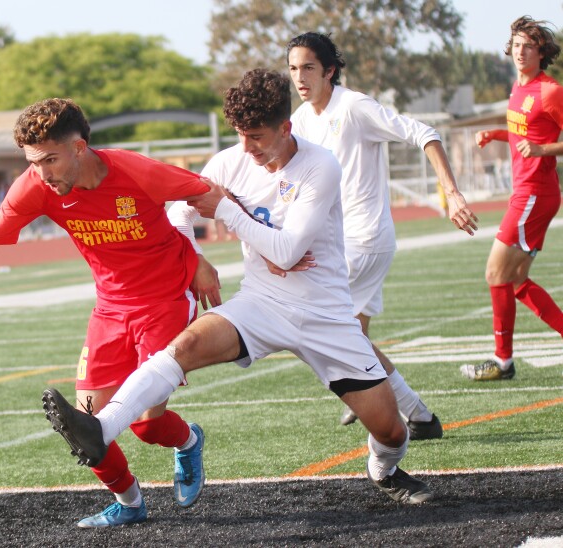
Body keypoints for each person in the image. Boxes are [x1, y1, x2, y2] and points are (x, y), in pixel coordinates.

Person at [43, 69, 434, 507]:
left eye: (256, 137)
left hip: (325, 314)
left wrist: (228, 211)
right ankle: (102, 428)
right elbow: (178, 214)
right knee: (184, 346)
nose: (246, 148)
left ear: (286, 128)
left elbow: (286, 252)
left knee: (390, 430)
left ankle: (383, 469)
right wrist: (196, 260)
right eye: (239, 136)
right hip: (261, 303)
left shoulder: (320, 165)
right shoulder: (229, 162)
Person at [0, 98, 221, 528]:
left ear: (79, 148)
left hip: (165, 299)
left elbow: (207, 192)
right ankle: (129, 503)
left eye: (49, 160)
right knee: (84, 429)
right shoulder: (35, 187)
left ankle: (187, 441)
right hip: (109, 309)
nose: (41, 173)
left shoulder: (136, 170)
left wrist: (198, 255)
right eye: (33, 162)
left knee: (147, 427)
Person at [286, 32, 479, 434]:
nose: (299, 77)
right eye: (293, 68)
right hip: (337, 242)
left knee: (319, 326)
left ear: (329, 71)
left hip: (364, 239)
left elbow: (425, 134)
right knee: (350, 331)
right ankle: (386, 402)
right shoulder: (303, 119)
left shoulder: (355, 107)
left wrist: (453, 194)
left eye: (308, 67)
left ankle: (405, 408)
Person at [463, 16, 563, 381]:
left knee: (494, 273)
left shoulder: (550, 91)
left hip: (536, 194)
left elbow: (538, 141)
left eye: (529, 46)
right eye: (517, 45)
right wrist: (496, 134)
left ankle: (502, 360)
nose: (521, 52)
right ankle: (505, 359)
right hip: (525, 192)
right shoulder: (518, 87)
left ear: (541, 53)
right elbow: (524, 131)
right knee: (517, 279)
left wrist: (543, 149)